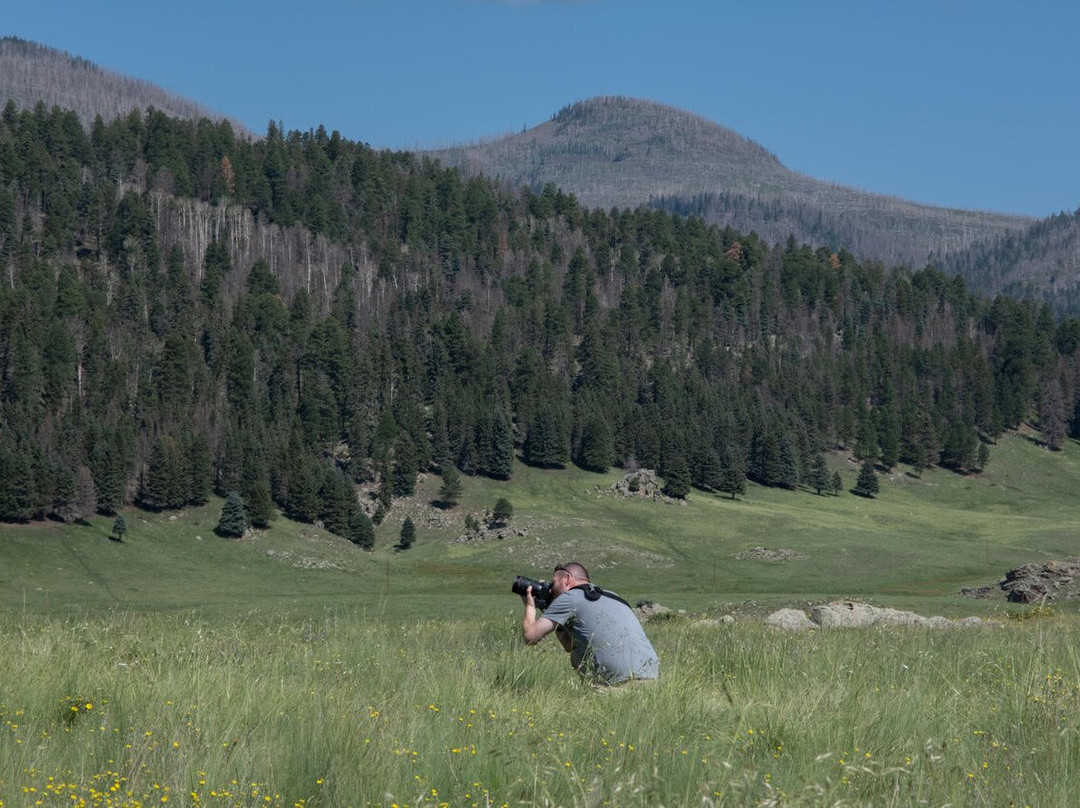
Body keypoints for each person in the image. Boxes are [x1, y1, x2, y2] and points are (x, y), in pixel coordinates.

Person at [520, 561, 659, 685]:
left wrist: (530, 606)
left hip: (618, 685)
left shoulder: (569, 598)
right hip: (652, 681)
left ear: (567, 579)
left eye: (553, 583)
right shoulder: (611, 595)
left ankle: (601, 688)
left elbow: (530, 637)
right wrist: (552, 612)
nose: (550, 590)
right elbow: (569, 646)